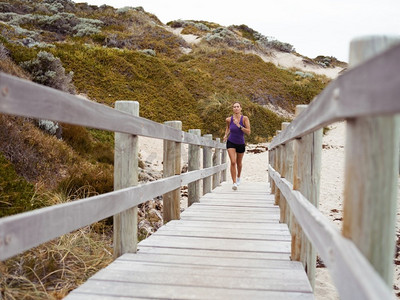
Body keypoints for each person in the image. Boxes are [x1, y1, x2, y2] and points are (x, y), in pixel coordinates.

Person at [223, 102, 251, 190]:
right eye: (234, 107)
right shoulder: (228, 119)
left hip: (241, 143)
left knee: (239, 163)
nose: (236, 108)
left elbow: (248, 132)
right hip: (231, 142)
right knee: (233, 162)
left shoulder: (244, 119)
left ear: (240, 108)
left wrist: (239, 126)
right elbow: (228, 128)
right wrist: (225, 135)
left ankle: (238, 177)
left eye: (237, 107)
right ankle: (234, 182)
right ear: (232, 109)